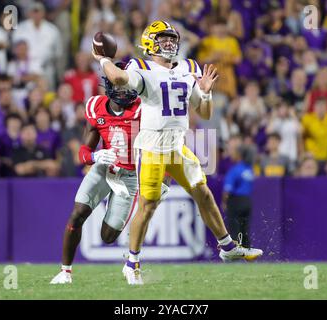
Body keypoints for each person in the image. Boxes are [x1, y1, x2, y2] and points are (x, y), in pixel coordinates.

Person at [92, 20, 263, 285]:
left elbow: (205, 113)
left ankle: (227, 247)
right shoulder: (142, 66)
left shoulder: (188, 67)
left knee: (203, 192)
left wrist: (205, 94)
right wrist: (103, 59)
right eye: (163, 38)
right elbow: (117, 78)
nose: (170, 43)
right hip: (151, 145)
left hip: (177, 144)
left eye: (172, 39)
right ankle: (131, 262)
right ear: (150, 42)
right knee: (148, 205)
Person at [50, 62, 170, 284]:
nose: (126, 88)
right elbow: (85, 151)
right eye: (121, 83)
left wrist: (159, 175)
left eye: (128, 83)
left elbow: (162, 142)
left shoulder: (144, 108)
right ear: (109, 84)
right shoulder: (96, 106)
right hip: (106, 167)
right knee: (77, 213)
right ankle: (65, 272)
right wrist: (95, 157)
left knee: (108, 236)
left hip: (132, 175)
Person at [222, 144, 255, 248]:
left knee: (234, 229)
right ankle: (247, 252)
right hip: (247, 201)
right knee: (245, 229)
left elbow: (227, 189)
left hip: (235, 201)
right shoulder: (249, 169)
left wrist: (224, 202)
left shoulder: (235, 170)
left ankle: (234, 254)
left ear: (239, 155)